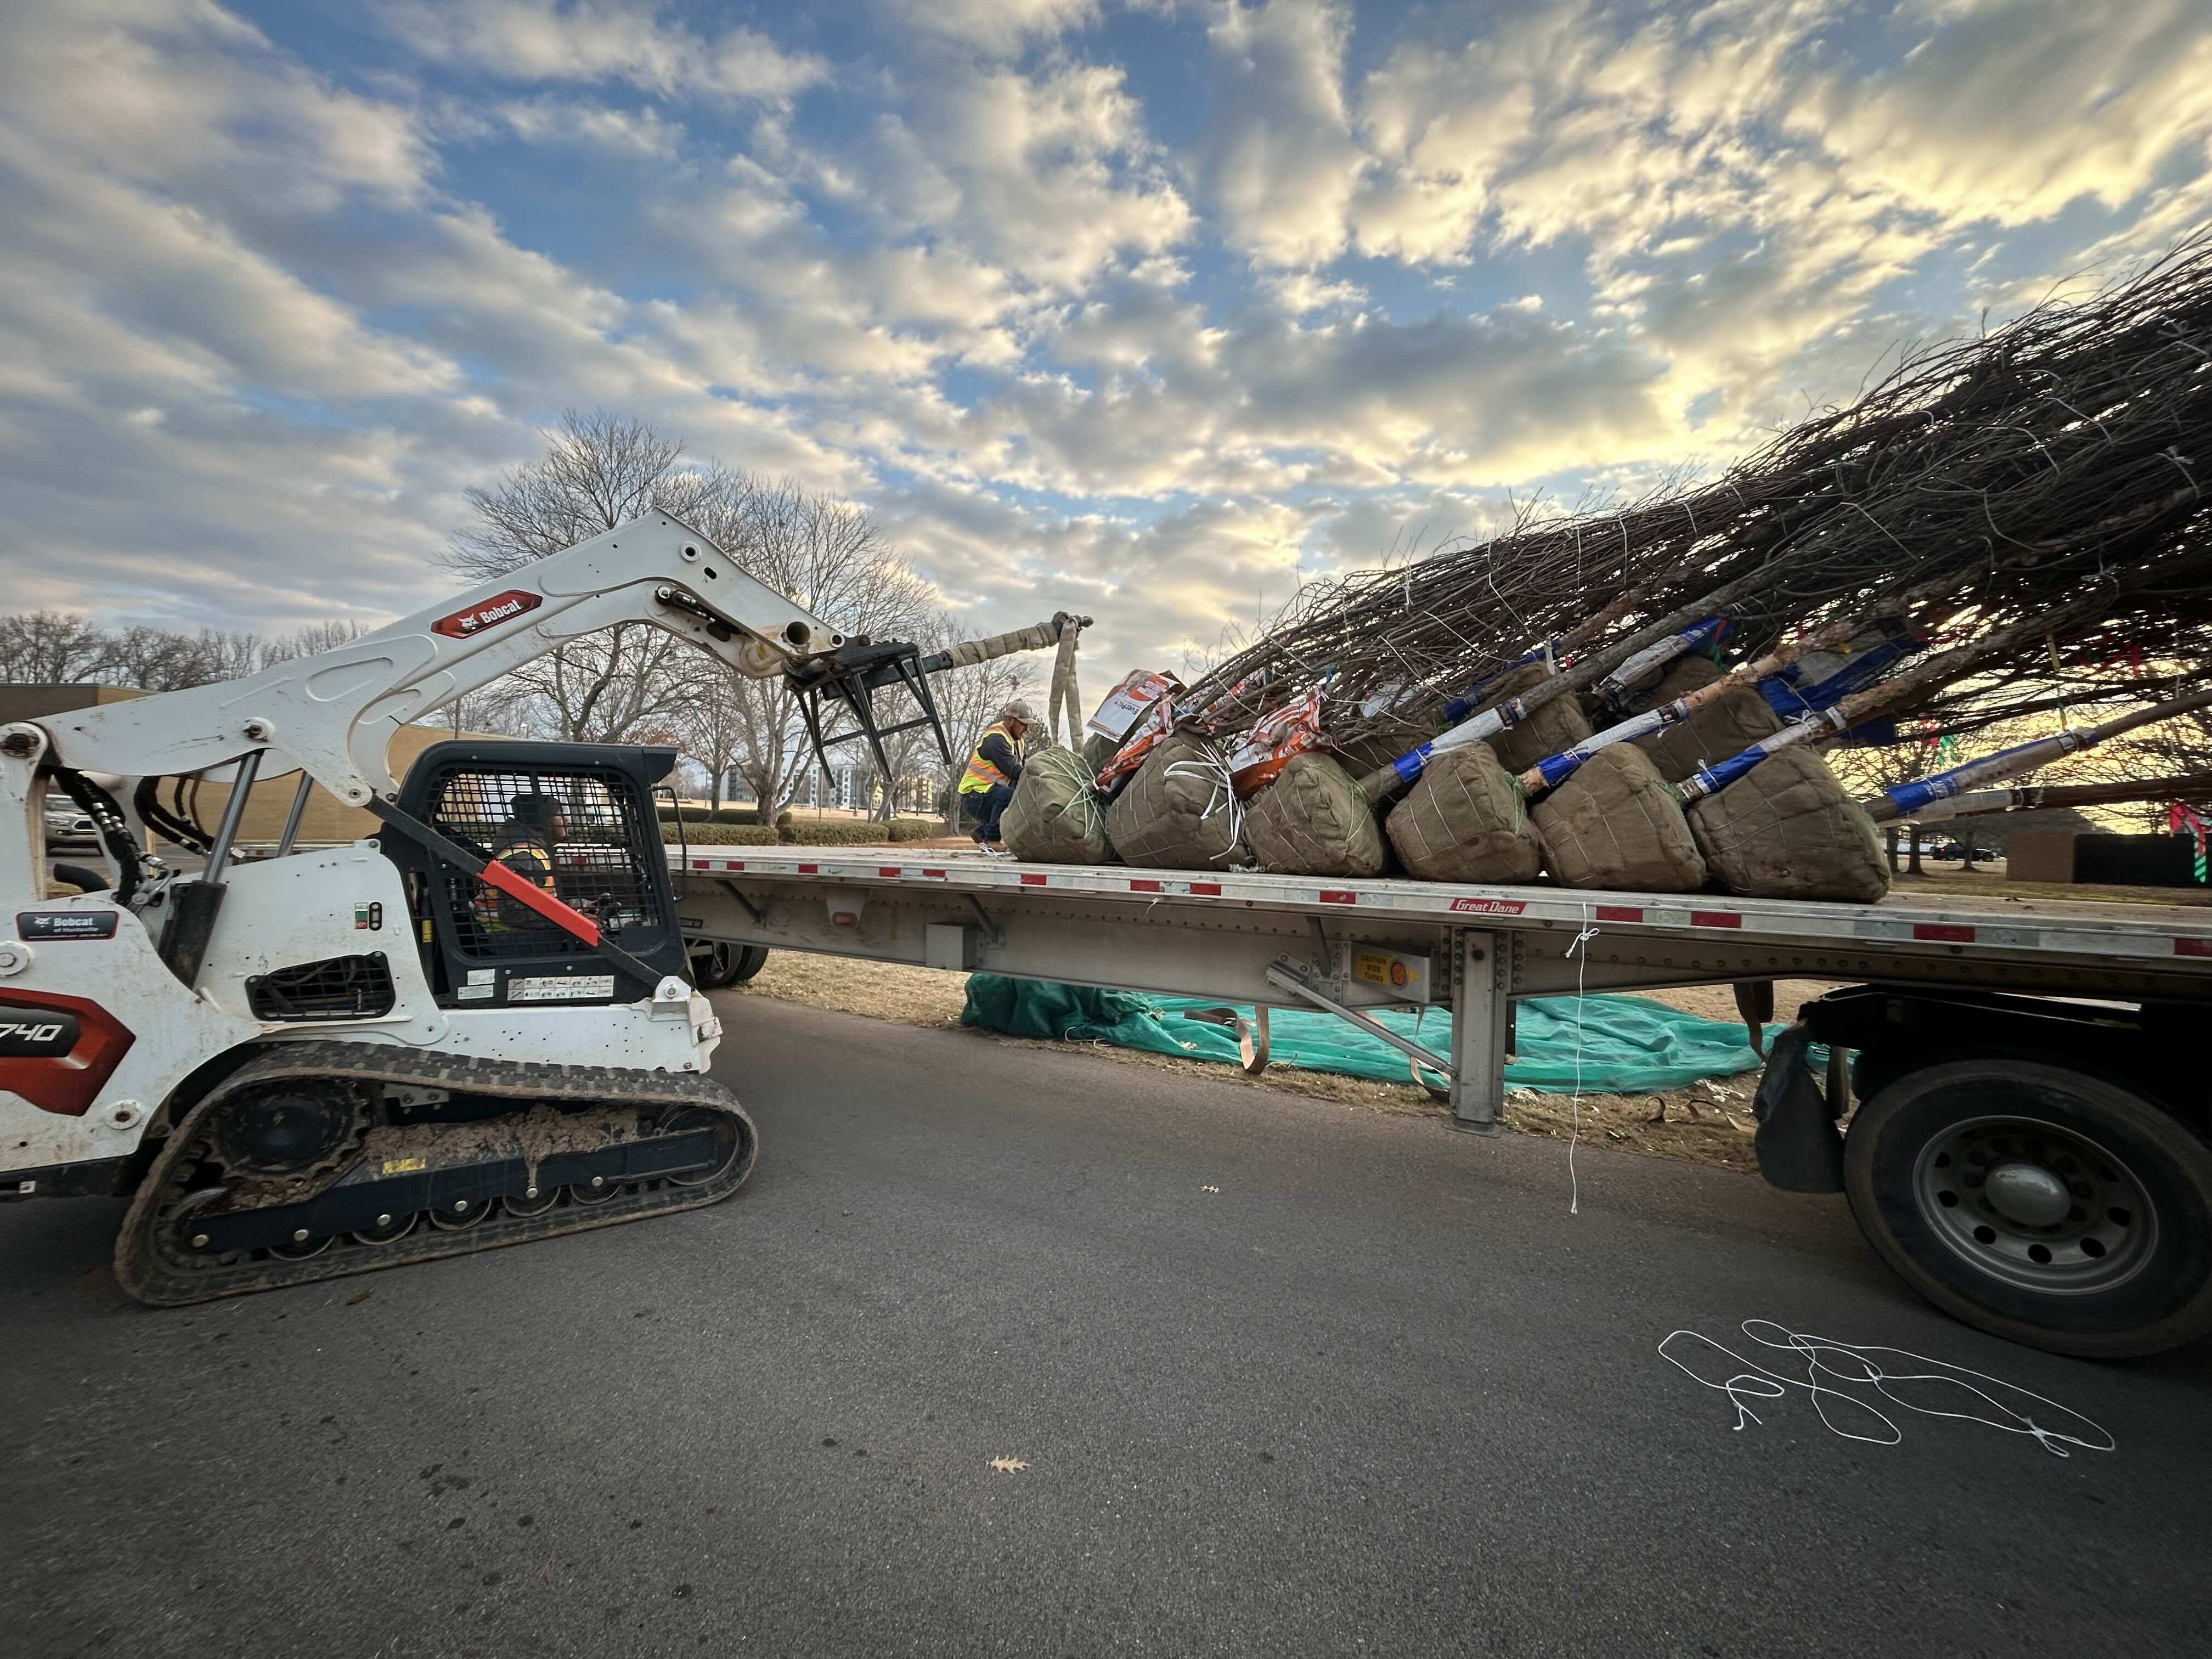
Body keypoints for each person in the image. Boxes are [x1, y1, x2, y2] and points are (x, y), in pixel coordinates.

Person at [473, 791, 567, 935]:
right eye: (559, 815)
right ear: (543, 821)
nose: (566, 820)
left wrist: (574, 909)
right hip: (511, 940)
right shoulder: (525, 858)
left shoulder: (530, 852)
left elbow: (537, 903)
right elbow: (514, 913)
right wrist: (566, 920)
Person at [956, 699, 1032, 852]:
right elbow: (1015, 771)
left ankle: (981, 832)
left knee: (1019, 797)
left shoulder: (1018, 742)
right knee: (1012, 796)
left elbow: (1021, 773)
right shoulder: (996, 739)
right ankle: (991, 839)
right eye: (1023, 724)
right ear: (1011, 721)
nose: (1026, 729)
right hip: (974, 795)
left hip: (988, 794)